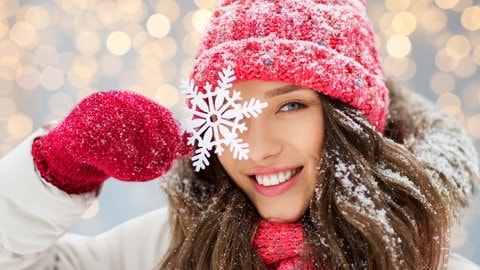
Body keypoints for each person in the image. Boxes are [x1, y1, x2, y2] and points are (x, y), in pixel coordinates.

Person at [1, 0, 479, 269]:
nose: (256, 147)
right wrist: (60, 167)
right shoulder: (167, 249)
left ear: (350, 119)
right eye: (232, 110)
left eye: (290, 105)